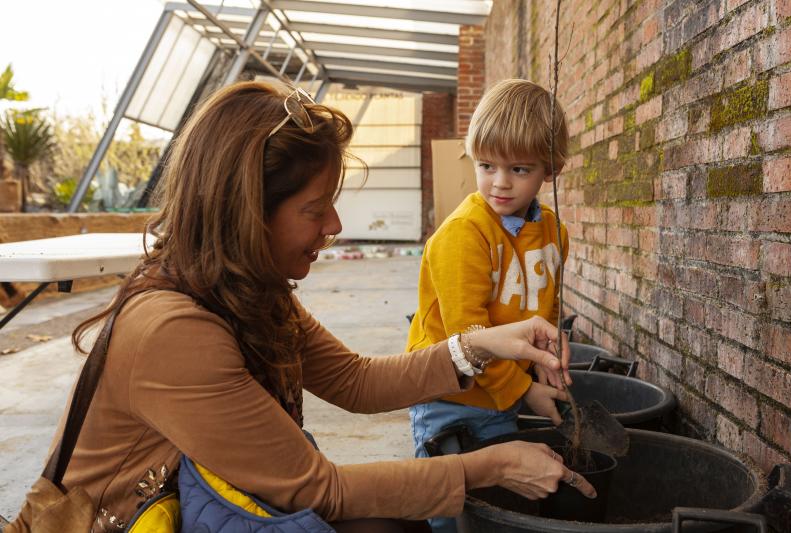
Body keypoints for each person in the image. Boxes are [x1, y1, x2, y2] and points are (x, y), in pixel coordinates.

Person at [25, 81, 593, 533]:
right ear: (247, 211)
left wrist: (482, 345)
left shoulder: (249, 291)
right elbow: (317, 489)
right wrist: (493, 466)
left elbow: (355, 381)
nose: (336, 226)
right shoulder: (175, 332)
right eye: (315, 208)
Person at [406, 79, 572, 531]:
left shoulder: (553, 232)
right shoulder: (465, 234)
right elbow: (468, 339)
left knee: (497, 507)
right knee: (452, 507)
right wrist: (526, 393)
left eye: (519, 169)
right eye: (486, 165)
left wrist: (548, 359)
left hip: (503, 394)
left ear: (550, 169)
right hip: (451, 398)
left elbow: (547, 309)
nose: (499, 183)